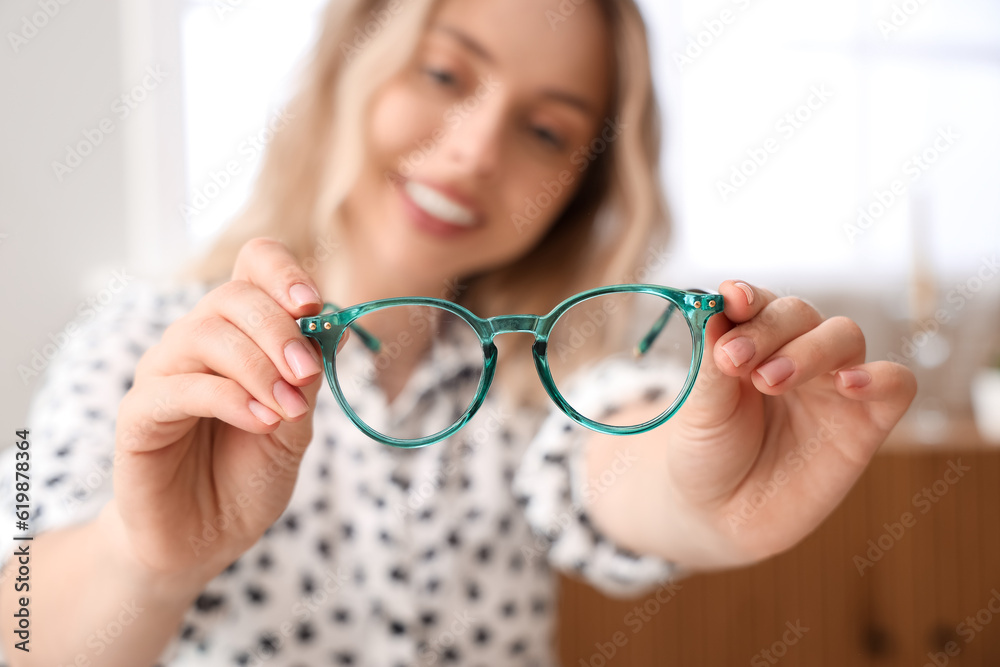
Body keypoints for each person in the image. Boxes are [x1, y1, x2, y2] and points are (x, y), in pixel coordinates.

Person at [0, 0, 916, 665]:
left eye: (548, 132)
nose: (477, 149)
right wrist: (141, 554)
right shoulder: (129, 347)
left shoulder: (552, 369)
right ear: (350, 62)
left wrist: (700, 476)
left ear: (578, 190)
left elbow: (616, 454)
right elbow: (22, 624)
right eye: (444, 73)